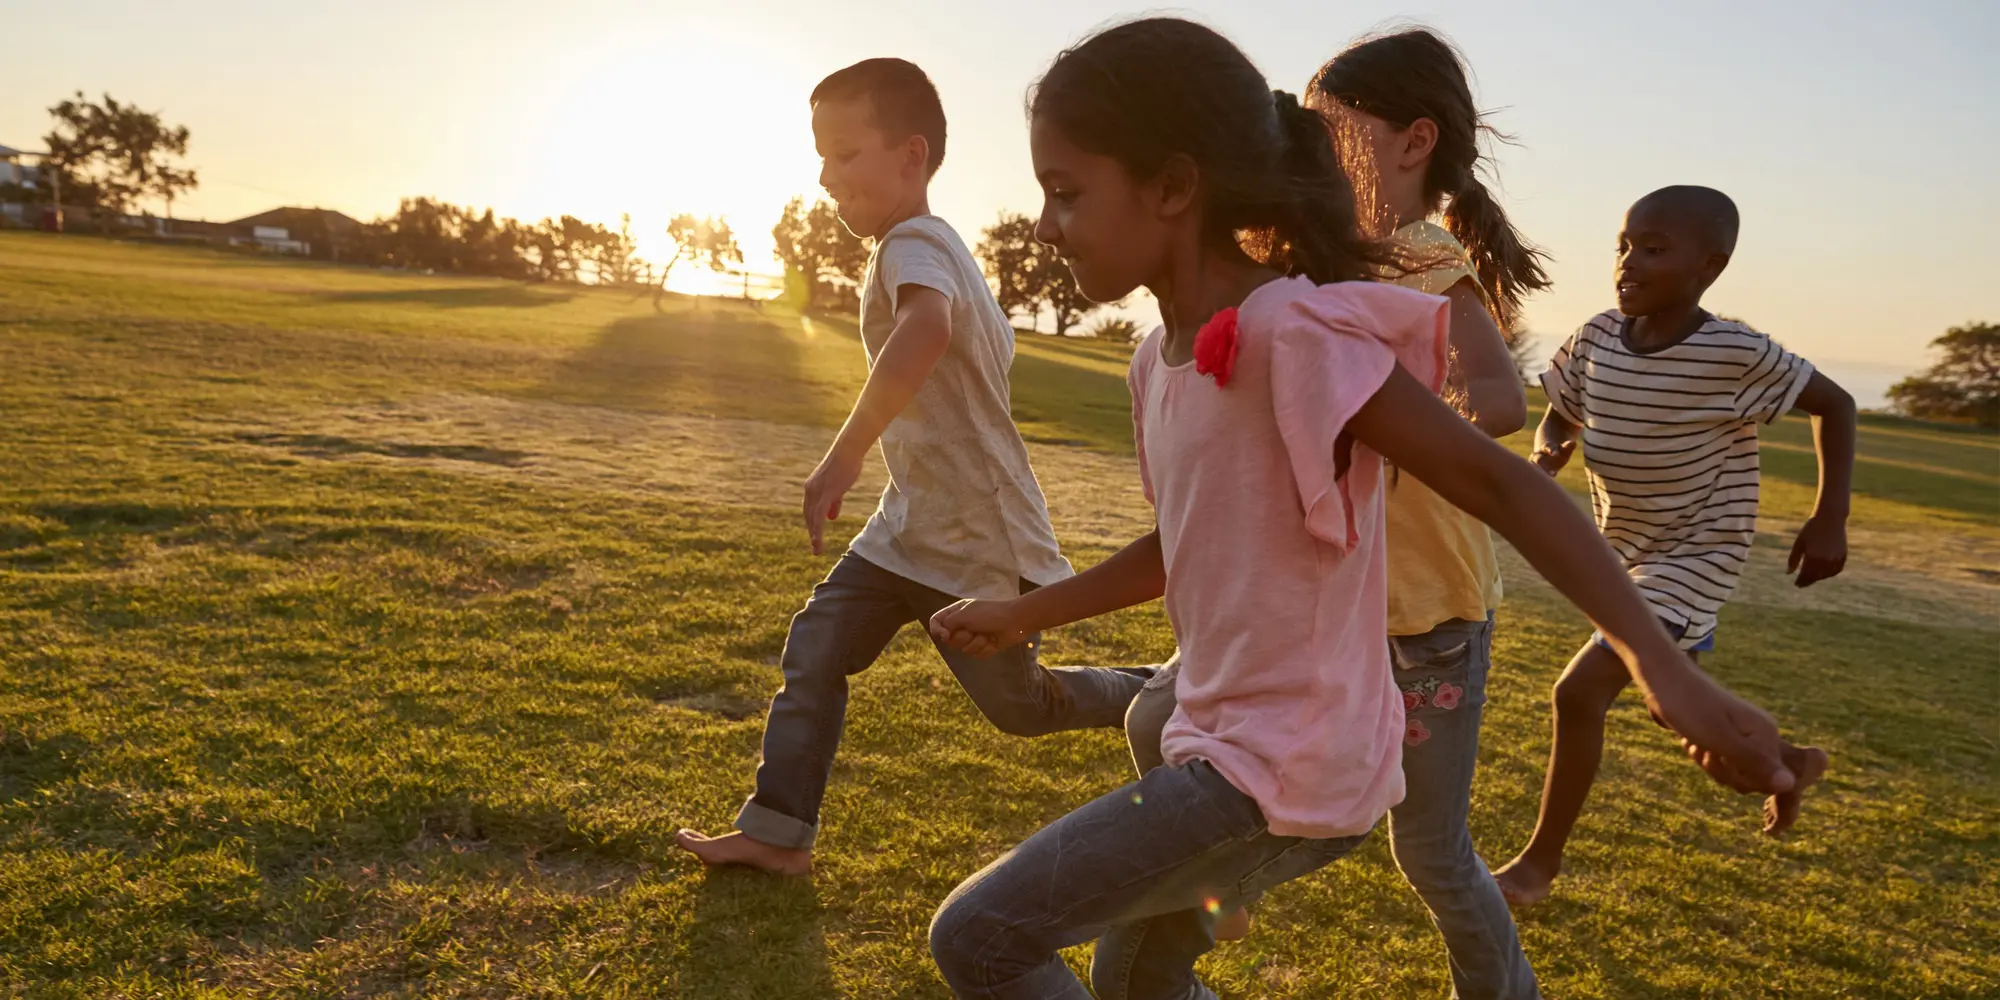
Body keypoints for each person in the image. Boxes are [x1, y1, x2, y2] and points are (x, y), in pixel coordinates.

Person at [922, 20, 1805, 999]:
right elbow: (1184, 541)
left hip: (1284, 772)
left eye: (1066, 190)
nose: (1045, 222)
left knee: (981, 933)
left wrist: (1661, 667)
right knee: (1139, 982)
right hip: (1219, 741)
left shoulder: (1293, 332)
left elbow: (1500, 480)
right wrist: (1023, 613)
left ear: (1173, 187)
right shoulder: (1158, 359)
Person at [1120, 26, 1549, 997]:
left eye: (1329, 125)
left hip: (1424, 619)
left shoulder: (1422, 258)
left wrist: (1393, 423)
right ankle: (1195, 931)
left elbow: (1500, 398)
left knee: (1430, 853)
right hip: (1315, 609)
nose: (1305, 144)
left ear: (1411, 142)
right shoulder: (1295, 258)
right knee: (1173, 730)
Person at [674, 57, 1152, 877]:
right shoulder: (937, 248)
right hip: (909, 526)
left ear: (912, 155)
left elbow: (925, 331)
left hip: (977, 540)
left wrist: (844, 451)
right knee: (816, 644)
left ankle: (1162, 693)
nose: (827, 176)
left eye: (845, 154)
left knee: (1022, 710)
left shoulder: (915, 244)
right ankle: (780, 834)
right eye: (820, 156)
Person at [1491, 185, 1845, 906]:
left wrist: (1828, 516)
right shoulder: (1594, 338)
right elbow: (1560, 413)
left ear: (1708, 267)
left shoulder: (1734, 351)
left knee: (1577, 692)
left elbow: (1835, 404)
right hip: (1621, 555)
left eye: (1653, 250)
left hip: (1694, 556)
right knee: (1668, 704)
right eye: (1622, 246)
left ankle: (1537, 867)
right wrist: (1550, 447)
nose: (1628, 263)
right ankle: (1789, 762)